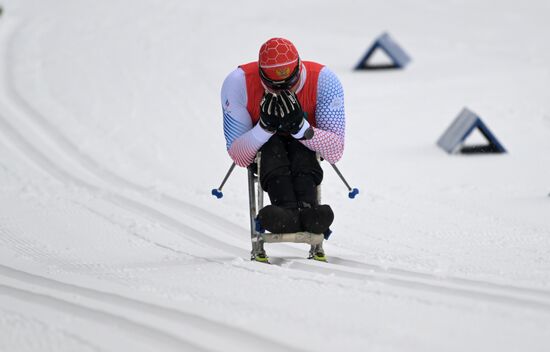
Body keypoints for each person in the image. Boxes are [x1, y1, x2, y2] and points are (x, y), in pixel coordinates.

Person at [220, 37, 345, 238]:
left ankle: (308, 209)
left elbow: (335, 151)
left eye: (291, 83)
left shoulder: (323, 79)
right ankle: (287, 211)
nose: (283, 91)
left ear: (299, 69)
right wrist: (264, 129)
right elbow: (239, 156)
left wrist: (301, 129)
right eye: (274, 86)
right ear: (261, 76)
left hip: (305, 147)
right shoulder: (237, 83)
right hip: (265, 150)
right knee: (273, 145)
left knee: (301, 147)